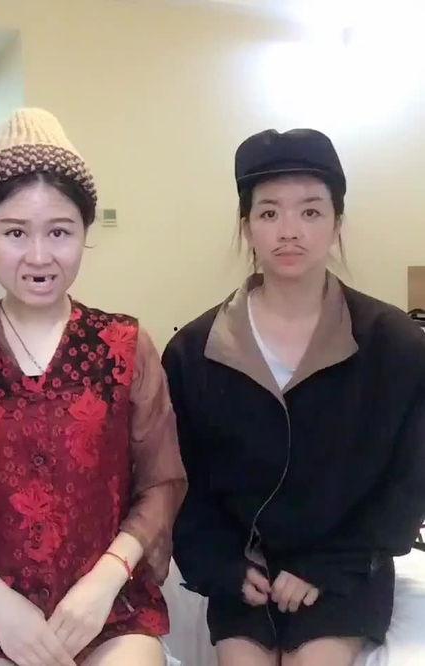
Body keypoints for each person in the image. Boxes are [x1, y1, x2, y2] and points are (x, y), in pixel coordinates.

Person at [0, 108, 187, 666]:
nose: (39, 257)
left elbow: (161, 481)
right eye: (15, 232)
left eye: (60, 232)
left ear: (85, 232)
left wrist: (105, 581)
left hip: (106, 603)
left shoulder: (124, 344)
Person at [162, 128, 425, 666]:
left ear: (337, 222)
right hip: (244, 574)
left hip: (347, 566)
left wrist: (328, 566)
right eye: (269, 212)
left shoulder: (395, 344)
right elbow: (183, 483)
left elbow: (410, 482)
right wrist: (225, 567)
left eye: (310, 211)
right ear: (247, 226)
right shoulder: (194, 351)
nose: (289, 231)